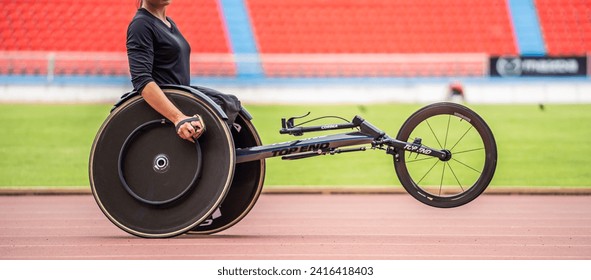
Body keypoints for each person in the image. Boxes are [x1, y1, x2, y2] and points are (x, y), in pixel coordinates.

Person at [127, 0, 205, 142]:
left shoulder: (169, 23)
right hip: (165, 111)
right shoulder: (140, 25)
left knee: (228, 104)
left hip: (181, 99)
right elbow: (142, 81)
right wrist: (178, 118)